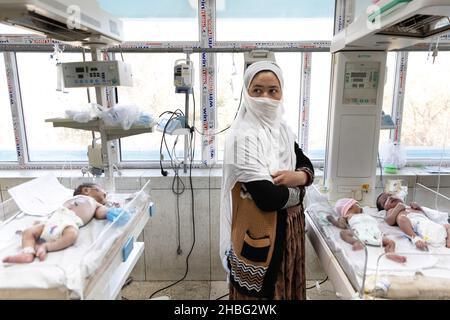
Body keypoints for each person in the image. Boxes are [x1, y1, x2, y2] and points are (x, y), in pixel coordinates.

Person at [220, 61, 314, 300]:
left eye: (273, 90)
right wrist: (301, 192)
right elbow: (267, 198)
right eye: (257, 90)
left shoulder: (282, 130)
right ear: (246, 93)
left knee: (286, 288)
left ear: (281, 92)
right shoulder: (243, 137)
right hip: (259, 231)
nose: (265, 97)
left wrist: (298, 176)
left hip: (288, 233)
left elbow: (306, 165)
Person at [2, 182, 127, 264]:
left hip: (70, 222)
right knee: (28, 232)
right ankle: (27, 252)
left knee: (72, 234)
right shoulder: (78, 199)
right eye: (102, 192)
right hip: (52, 220)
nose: (106, 194)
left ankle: (46, 247)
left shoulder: (95, 204)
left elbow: (101, 213)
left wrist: (112, 212)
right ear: (87, 190)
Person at [327, 198, 406, 263]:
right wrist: (332, 220)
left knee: (391, 242)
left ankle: (390, 253)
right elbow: (342, 225)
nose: (360, 207)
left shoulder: (364, 215)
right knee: (343, 233)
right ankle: (355, 242)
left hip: (375, 233)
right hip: (359, 231)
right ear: (349, 207)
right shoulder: (347, 215)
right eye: (357, 204)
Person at [376, 192, 450, 251]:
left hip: (431, 225)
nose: (390, 197)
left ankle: (448, 241)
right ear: (384, 209)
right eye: (385, 200)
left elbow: (427, 216)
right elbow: (389, 221)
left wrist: (419, 208)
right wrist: (397, 209)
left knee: (447, 226)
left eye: (391, 194)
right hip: (416, 226)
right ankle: (415, 238)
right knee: (402, 219)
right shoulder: (391, 210)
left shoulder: (410, 207)